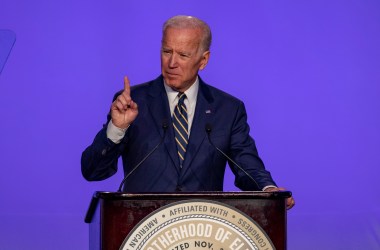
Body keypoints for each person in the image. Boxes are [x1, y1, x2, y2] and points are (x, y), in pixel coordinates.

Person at [81, 15, 295, 209]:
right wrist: (117, 128)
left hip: (202, 231)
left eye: (183, 55)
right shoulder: (132, 103)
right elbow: (93, 171)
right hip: (142, 228)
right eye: (166, 51)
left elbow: (246, 164)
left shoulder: (228, 109)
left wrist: (268, 190)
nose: (172, 63)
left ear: (203, 60)